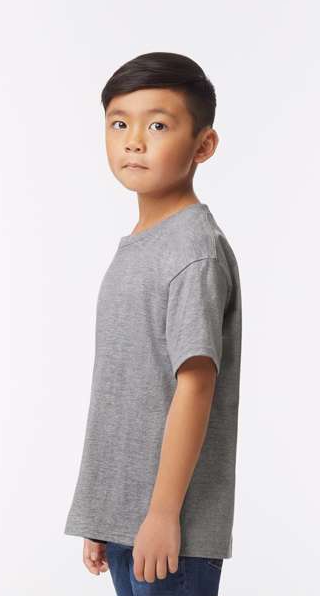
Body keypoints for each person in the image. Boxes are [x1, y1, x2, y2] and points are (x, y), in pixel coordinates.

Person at [64, 51, 242, 596]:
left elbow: (195, 384)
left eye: (158, 125)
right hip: (129, 521)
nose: (134, 141)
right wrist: (103, 511)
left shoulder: (193, 249)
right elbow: (126, 389)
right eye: (119, 124)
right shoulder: (141, 245)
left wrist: (163, 515)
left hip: (171, 531)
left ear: (203, 145)